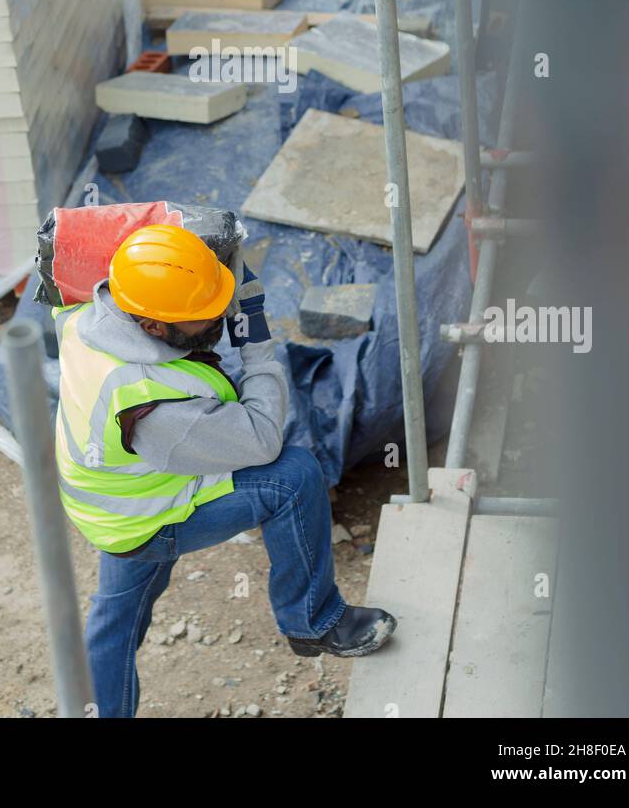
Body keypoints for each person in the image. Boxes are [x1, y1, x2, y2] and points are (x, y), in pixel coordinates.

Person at [53, 223, 397, 719]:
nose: (220, 315)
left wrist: (207, 251)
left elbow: (136, 249)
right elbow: (261, 438)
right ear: (152, 327)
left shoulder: (88, 311)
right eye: (203, 316)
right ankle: (313, 621)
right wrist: (254, 337)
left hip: (110, 502)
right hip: (148, 515)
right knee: (293, 476)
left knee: (117, 619)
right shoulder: (156, 408)